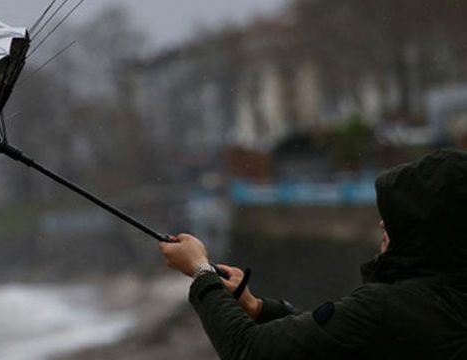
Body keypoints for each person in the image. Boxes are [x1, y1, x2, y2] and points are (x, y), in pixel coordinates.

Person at [158, 149, 467, 359]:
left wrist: (200, 271)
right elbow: (334, 338)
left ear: (427, 227)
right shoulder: (445, 297)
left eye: (398, 216)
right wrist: (256, 308)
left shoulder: (391, 309)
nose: (383, 223)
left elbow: (248, 351)